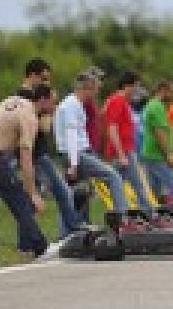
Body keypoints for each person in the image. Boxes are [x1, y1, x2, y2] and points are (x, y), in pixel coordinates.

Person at [0, 84, 54, 268]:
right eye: (53, 102)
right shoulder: (30, 116)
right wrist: (33, 193)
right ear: (43, 100)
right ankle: (40, 248)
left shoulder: (13, 100)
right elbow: (26, 157)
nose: (55, 106)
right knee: (19, 200)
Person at [54, 70, 129, 234]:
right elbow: (71, 135)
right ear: (87, 88)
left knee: (77, 193)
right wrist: (74, 164)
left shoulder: (73, 103)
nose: (96, 93)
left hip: (75, 153)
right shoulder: (71, 105)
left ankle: (69, 231)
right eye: (95, 89)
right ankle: (124, 220)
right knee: (113, 176)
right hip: (77, 154)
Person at [17, 58, 82, 239]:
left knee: (31, 198)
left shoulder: (25, 96)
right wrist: (50, 110)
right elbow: (44, 127)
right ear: (32, 75)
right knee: (62, 192)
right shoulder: (26, 97)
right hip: (35, 153)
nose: (46, 83)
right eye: (44, 78)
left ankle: (27, 241)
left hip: (35, 152)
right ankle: (73, 231)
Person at [103, 70, 156, 218]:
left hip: (126, 151)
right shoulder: (117, 101)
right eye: (136, 86)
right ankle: (147, 215)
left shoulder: (123, 102)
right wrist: (121, 155)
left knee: (119, 184)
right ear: (128, 86)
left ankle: (125, 215)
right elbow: (112, 128)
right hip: (123, 152)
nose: (137, 90)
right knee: (138, 185)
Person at [139, 80, 173, 218]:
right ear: (163, 90)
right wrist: (168, 154)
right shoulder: (156, 107)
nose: (172, 95)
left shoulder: (151, 105)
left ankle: (159, 215)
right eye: (171, 91)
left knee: (157, 189)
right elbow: (160, 132)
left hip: (150, 154)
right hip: (158, 155)